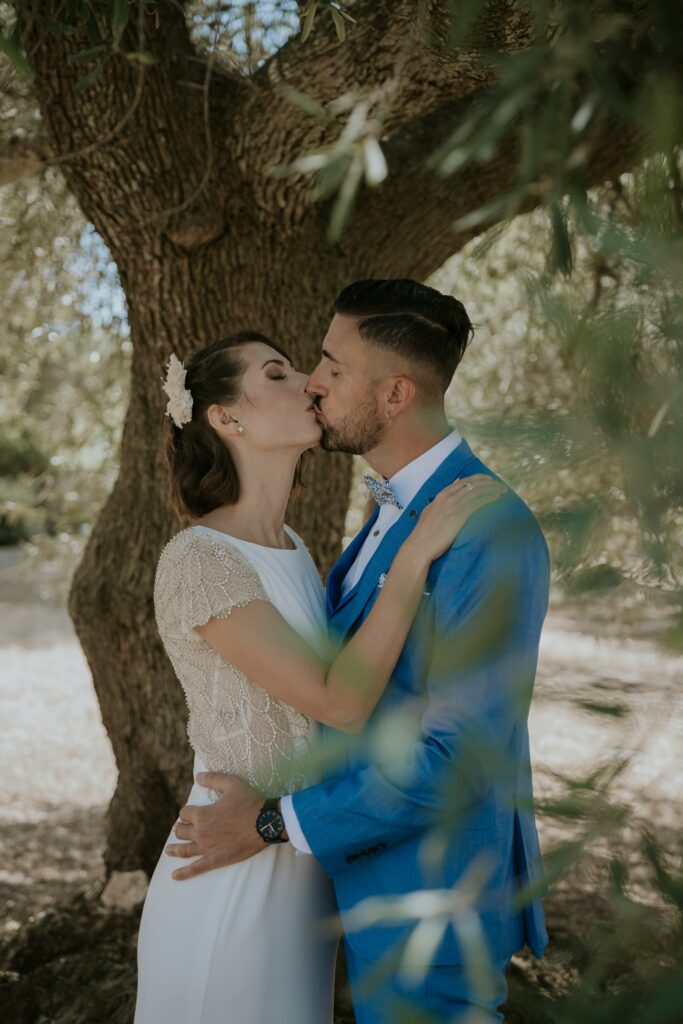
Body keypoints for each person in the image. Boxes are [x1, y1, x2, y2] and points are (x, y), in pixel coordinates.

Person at [163, 280, 551, 1023]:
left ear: (396, 393)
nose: (314, 383)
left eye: (331, 367)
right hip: (350, 886)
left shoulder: (484, 528)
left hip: (430, 899)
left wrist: (275, 822)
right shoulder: (378, 523)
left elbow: (458, 755)